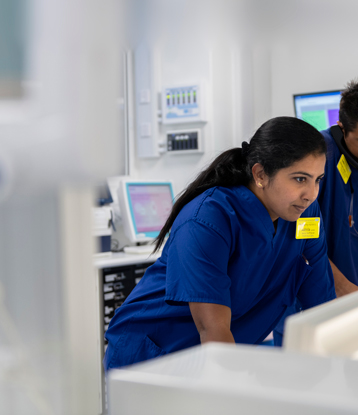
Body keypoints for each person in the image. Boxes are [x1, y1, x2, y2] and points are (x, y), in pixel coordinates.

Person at [104, 117, 335, 370]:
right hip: (153, 353)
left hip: (219, 354)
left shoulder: (305, 214)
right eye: (300, 179)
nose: (312, 194)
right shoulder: (207, 218)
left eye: (318, 180)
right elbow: (212, 329)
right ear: (260, 174)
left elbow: (321, 304)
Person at [273, 80, 358, 346]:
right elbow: (300, 244)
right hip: (308, 310)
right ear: (342, 129)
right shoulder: (313, 164)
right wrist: (347, 291)